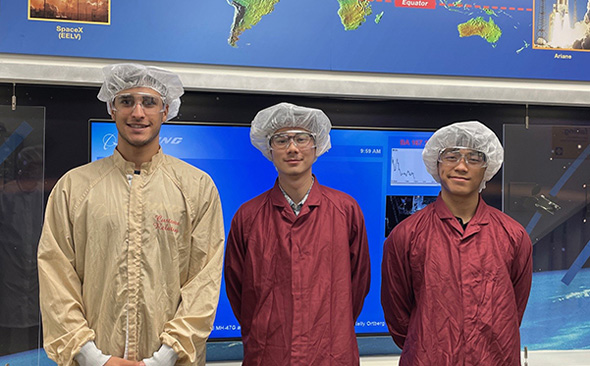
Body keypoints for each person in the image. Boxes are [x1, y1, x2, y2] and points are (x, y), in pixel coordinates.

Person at [37, 63, 225, 366]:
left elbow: (204, 281)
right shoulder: (74, 187)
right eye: (127, 101)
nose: (138, 113)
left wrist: (163, 358)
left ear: (165, 111)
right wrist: (93, 357)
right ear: (112, 109)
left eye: (149, 102)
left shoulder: (196, 187)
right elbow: (56, 276)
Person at [224, 102, 371, 365]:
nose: (292, 148)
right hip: (268, 354)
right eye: (281, 140)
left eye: (302, 139)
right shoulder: (248, 216)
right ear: (269, 149)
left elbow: (358, 285)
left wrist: (331, 327)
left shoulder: (345, 210)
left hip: (331, 353)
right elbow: (238, 291)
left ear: (317, 147)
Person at [381, 121, 533, 365]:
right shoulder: (405, 235)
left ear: (487, 168)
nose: (461, 166)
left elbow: (513, 310)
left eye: (474, 158)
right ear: (437, 164)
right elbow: (398, 317)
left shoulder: (512, 235)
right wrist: (429, 344)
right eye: (451, 156)